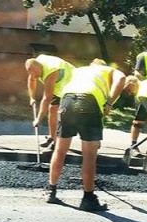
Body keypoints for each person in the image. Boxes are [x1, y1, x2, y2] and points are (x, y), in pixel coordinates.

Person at [33, 59, 137, 211]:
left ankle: (51, 191)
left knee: (60, 150)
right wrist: (109, 103)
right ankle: (88, 199)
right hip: (89, 103)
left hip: (67, 101)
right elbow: (121, 79)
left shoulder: (79, 70)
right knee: (89, 155)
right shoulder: (107, 71)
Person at [25, 54, 76, 150]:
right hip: (60, 87)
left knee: (64, 115)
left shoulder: (51, 71)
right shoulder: (35, 64)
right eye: (32, 74)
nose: (35, 76)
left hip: (72, 86)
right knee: (52, 109)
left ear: (40, 67)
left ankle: (60, 143)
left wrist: (38, 119)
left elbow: (47, 98)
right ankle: (52, 138)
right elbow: (31, 80)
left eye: (36, 74)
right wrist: (32, 97)